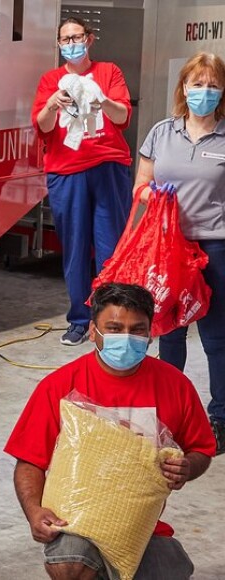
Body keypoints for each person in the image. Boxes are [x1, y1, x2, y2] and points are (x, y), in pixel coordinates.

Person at [5, 283, 216, 579]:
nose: (126, 338)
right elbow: (29, 460)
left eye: (137, 329)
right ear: (93, 331)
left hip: (140, 523)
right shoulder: (60, 385)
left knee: (169, 571)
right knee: (69, 564)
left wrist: (187, 467)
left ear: (150, 333)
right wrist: (34, 512)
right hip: (76, 519)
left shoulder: (175, 385)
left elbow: (201, 449)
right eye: (114, 328)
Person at [134, 52, 225, 456]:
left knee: (216, 337)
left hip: (215, 247)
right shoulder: (161, 132)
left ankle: (221, 417)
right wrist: (151, 194)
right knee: (168, 334)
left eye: (211, 84)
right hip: (167, 246)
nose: (203, 92)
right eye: (196, 83)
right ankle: (169, 414)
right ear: (183, 87)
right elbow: (140, 184)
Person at [32, 17, 133, 346]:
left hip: (108, 167)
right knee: (74, 249)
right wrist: (51, 103)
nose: (72, 43)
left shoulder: (109, 72)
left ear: (89, 39)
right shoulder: (51, 80)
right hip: (66, 172)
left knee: (110, 248)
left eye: (77, 37)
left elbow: (121, 117)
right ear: (59, 45)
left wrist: (101, 99)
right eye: (65, 39)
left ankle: (111, 319)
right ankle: (79, 319)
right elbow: (43, 126)